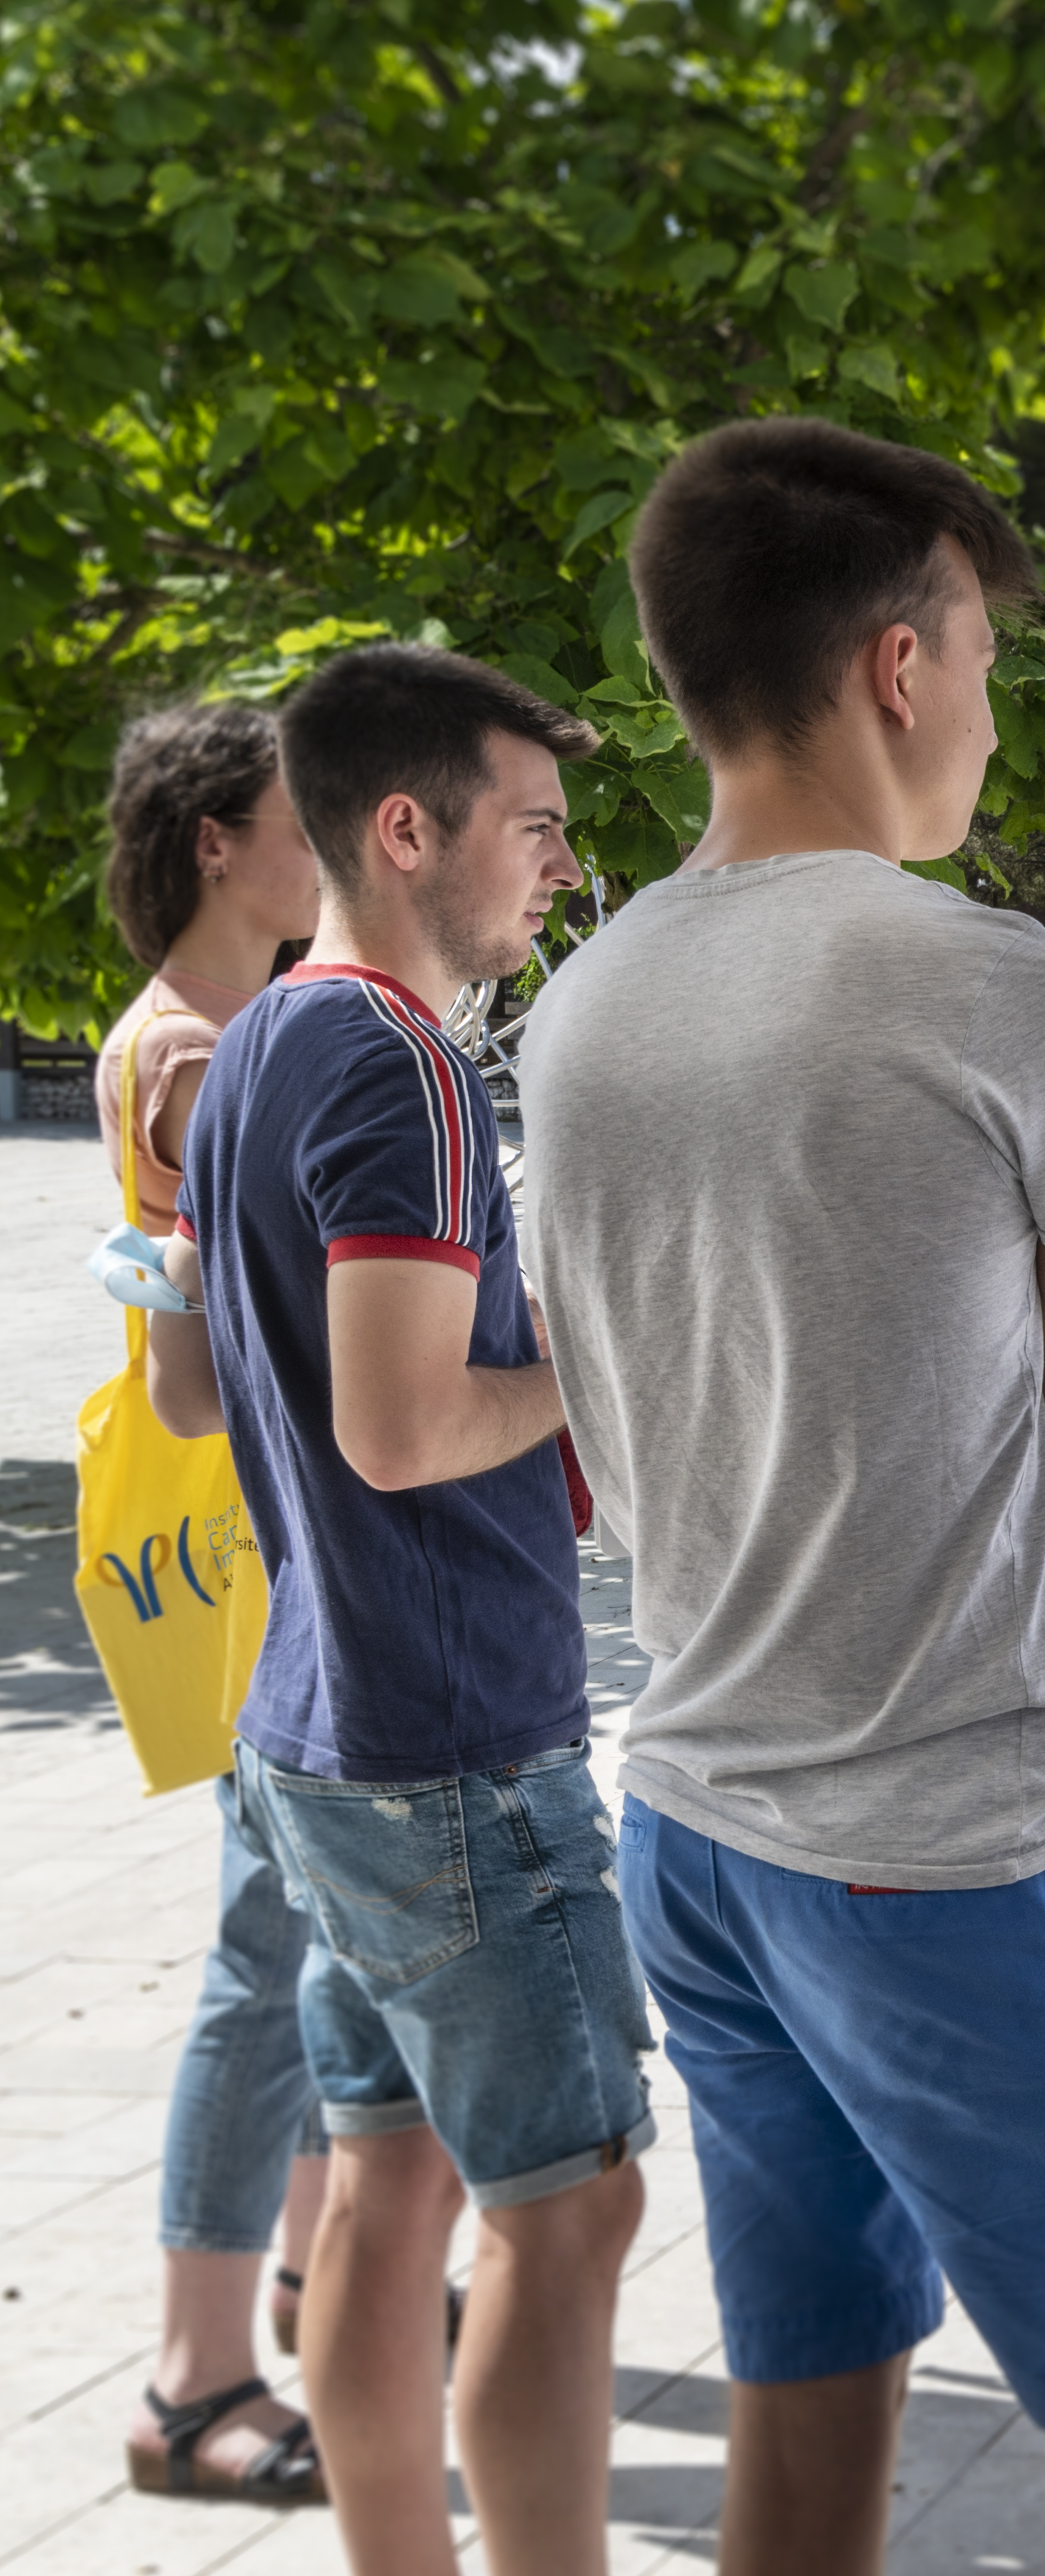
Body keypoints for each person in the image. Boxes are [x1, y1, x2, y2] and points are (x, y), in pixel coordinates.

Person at [515, 414, 1045, 2574]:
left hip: (700, 1813)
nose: (980, 703)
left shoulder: (581, 1007)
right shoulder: (1010, 993)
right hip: (965, 1828)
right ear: (894, 661)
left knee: (812, 2409)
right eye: (975, 654)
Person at [147, 643, 652, 2571]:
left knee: (384, 2193)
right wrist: (614, 1362)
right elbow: (406, 1423)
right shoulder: (403, 1060)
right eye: (532, 826)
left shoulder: (266, 1030)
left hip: (322, 1721)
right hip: (447, 1740)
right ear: (408, 827)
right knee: (568, 2216)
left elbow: (212, 1382)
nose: (556, 862)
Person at [92, 702, 333, 2508]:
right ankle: (192, 2382)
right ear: (214, 845)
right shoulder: (199, 1055)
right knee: (271, 1962)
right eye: (296, 819)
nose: (324, 844)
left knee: (325, 1941)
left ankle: (323, 2292)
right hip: (268, 1552)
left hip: (275, 1540)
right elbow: (222, 1364)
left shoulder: (216, 1030)